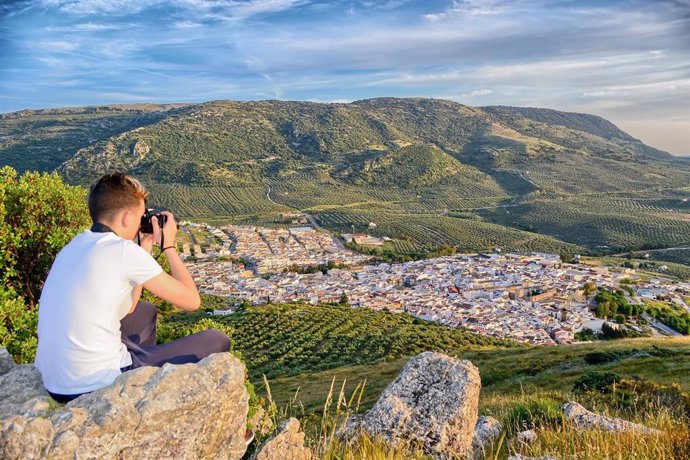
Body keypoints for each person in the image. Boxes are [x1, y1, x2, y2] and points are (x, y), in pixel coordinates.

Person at [34, 172, 231, 404]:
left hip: (54, 383)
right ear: (127, 218)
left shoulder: (75, 245)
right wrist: (169, 247)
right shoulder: (122, 251)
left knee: (144, 311)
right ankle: (142, 390)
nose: (141, 223)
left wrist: (145, 246)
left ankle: (144, 377)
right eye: (140, 217)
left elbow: (130, 308)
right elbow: (191, 301)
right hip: (95, 384)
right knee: (217, 340)